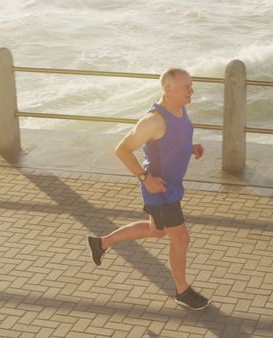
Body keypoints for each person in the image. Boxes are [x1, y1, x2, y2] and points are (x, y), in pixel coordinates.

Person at [86, 67, 210, 310]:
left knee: (157, 231)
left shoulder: (180, 109)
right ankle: (182, 291)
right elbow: (121, 149)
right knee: (181, 239)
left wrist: (189, 147)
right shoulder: (153, 121)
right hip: (160, 190)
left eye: (191, 85)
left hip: (172, 187)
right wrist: (145, 178)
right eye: (186, 86)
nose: (191, 90)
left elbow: (172, 140)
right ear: (168, 88)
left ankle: (100, 243)